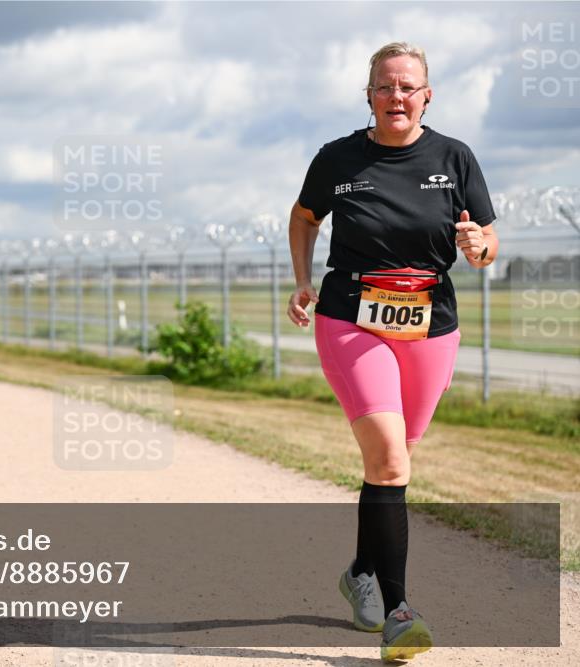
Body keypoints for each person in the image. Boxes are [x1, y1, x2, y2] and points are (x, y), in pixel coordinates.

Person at [287, 42, 499, 663]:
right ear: (370, 95)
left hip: (431, 325)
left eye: (409, 86)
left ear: (427, 94)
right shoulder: (338, 158)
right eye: (385, 87)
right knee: (386, 460)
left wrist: (476, 245)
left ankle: (360, 573)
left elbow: (489, 247)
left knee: (394, 465)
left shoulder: (454, 157)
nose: (397, 96)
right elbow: (304, 218)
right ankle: (400, 613)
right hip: (353, 318)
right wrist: (302, 278)